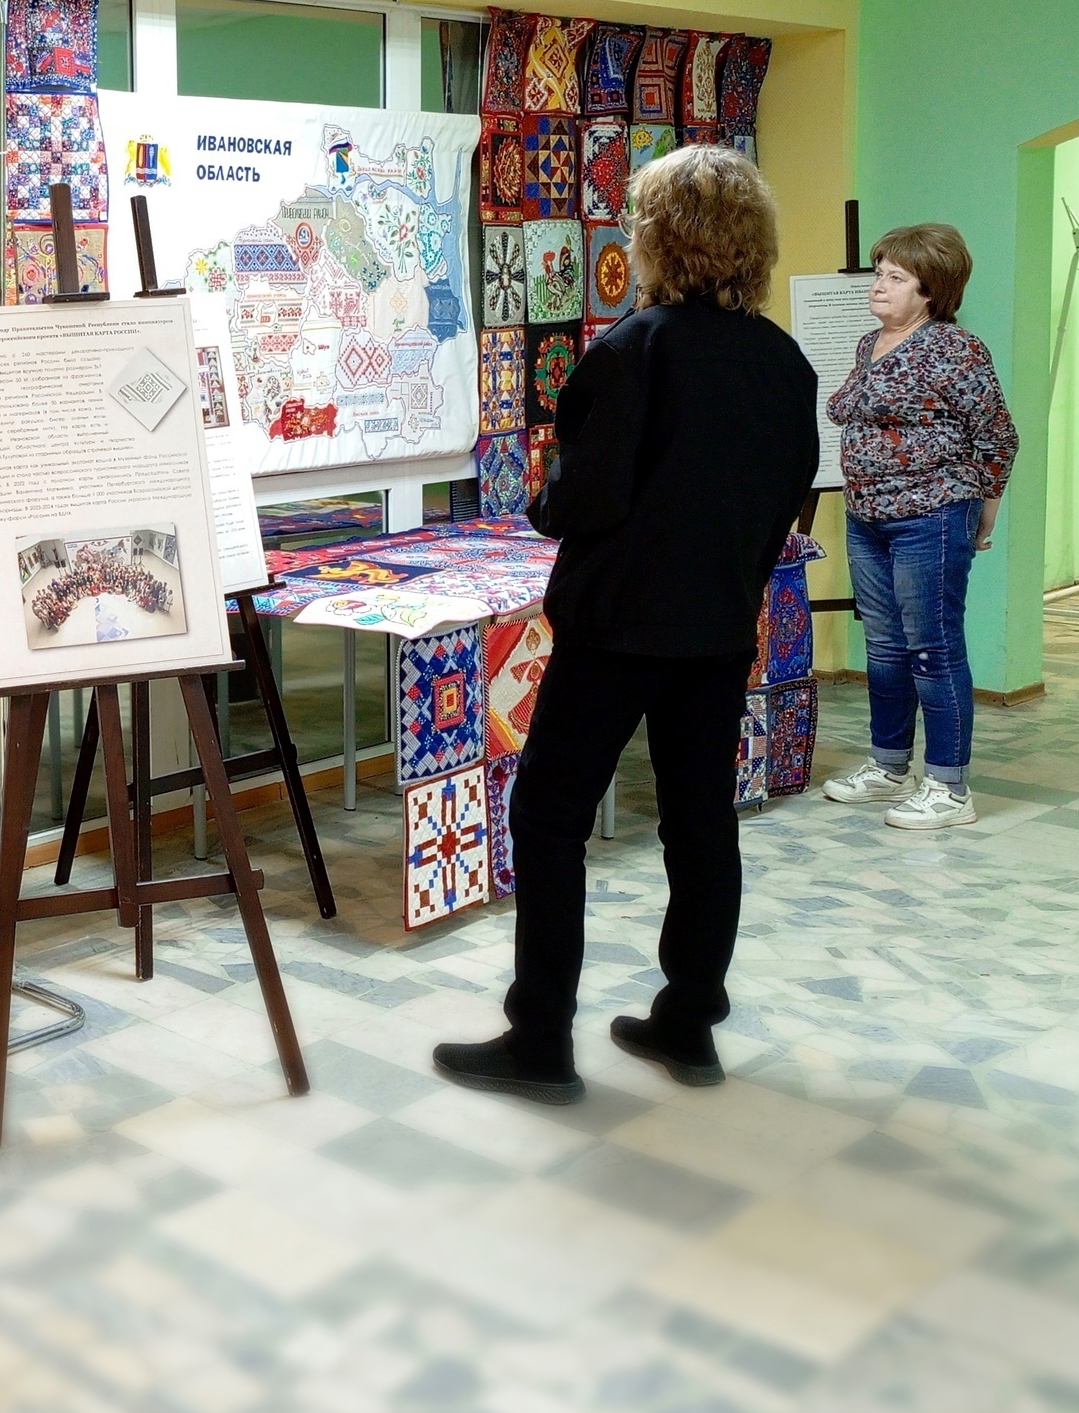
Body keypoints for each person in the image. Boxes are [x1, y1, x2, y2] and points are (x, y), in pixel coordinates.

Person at [436, 147, 818, 1104]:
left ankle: (539, 1041)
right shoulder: (785, 362)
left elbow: (581, 500)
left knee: (550, 820)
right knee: (700, 824)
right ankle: (689, 1023)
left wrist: (544, 499)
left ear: (658, 238)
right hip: (718, 627)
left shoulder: (632, 350)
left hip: (615, 628)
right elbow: (786, 497)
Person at [821, 224, 1017, 830]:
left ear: (930, 290)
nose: (878, 285)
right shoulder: (868, 344)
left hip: (933, 513)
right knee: (884, 646)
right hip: (867, 515)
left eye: (895, 277)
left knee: (933, 647)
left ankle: (950, 788)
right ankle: (889, 767)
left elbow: (998, 437)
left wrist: (984, 510)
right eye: (879, 273)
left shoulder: (957, 349)